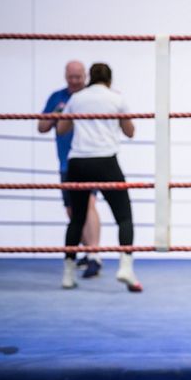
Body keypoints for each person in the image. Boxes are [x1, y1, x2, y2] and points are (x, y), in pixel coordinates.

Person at [57, 62, 141, 292]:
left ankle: (67, 274)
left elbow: (61, 129)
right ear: (109, 80)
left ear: (89, 78)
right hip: (105, 161)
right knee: (124, 217)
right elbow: (130, 131)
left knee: (77, 218)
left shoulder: (77, 98)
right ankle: (126, 266)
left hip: (78, 162)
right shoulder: (116, 98)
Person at [38, 60, 102, 279]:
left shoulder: (91, 97)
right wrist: (59, 111)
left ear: (85, 76)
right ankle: (87, 251)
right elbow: (42, 127)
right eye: (71, 77)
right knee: (72, 210)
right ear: (66, 76)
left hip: (89, 158)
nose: (74, 81)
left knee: (90, 203)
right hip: (66, 163)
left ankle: (94, 256)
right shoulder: (57, 97)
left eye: (78, 77)